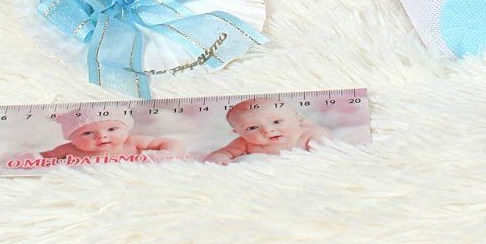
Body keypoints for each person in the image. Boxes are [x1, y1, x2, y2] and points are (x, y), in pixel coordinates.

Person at [33, 107, 183, 163]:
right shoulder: (68, 150)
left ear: (127, 128)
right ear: (71, 138)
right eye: (88, 133)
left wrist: (168, 154)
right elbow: (43, 157)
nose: (101, 137)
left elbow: (172, 143)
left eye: (111, 129)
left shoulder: (132, 142)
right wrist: (32, 158)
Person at [204, 97, 319, 163]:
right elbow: (223, 153)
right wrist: (219, 158)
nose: (268, 130)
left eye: (277, 122)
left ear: (297, 119)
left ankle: (306, 121)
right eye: (252, 128)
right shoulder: (244, 143)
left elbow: (326, 147)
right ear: (238, 133)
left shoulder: (307, 135)